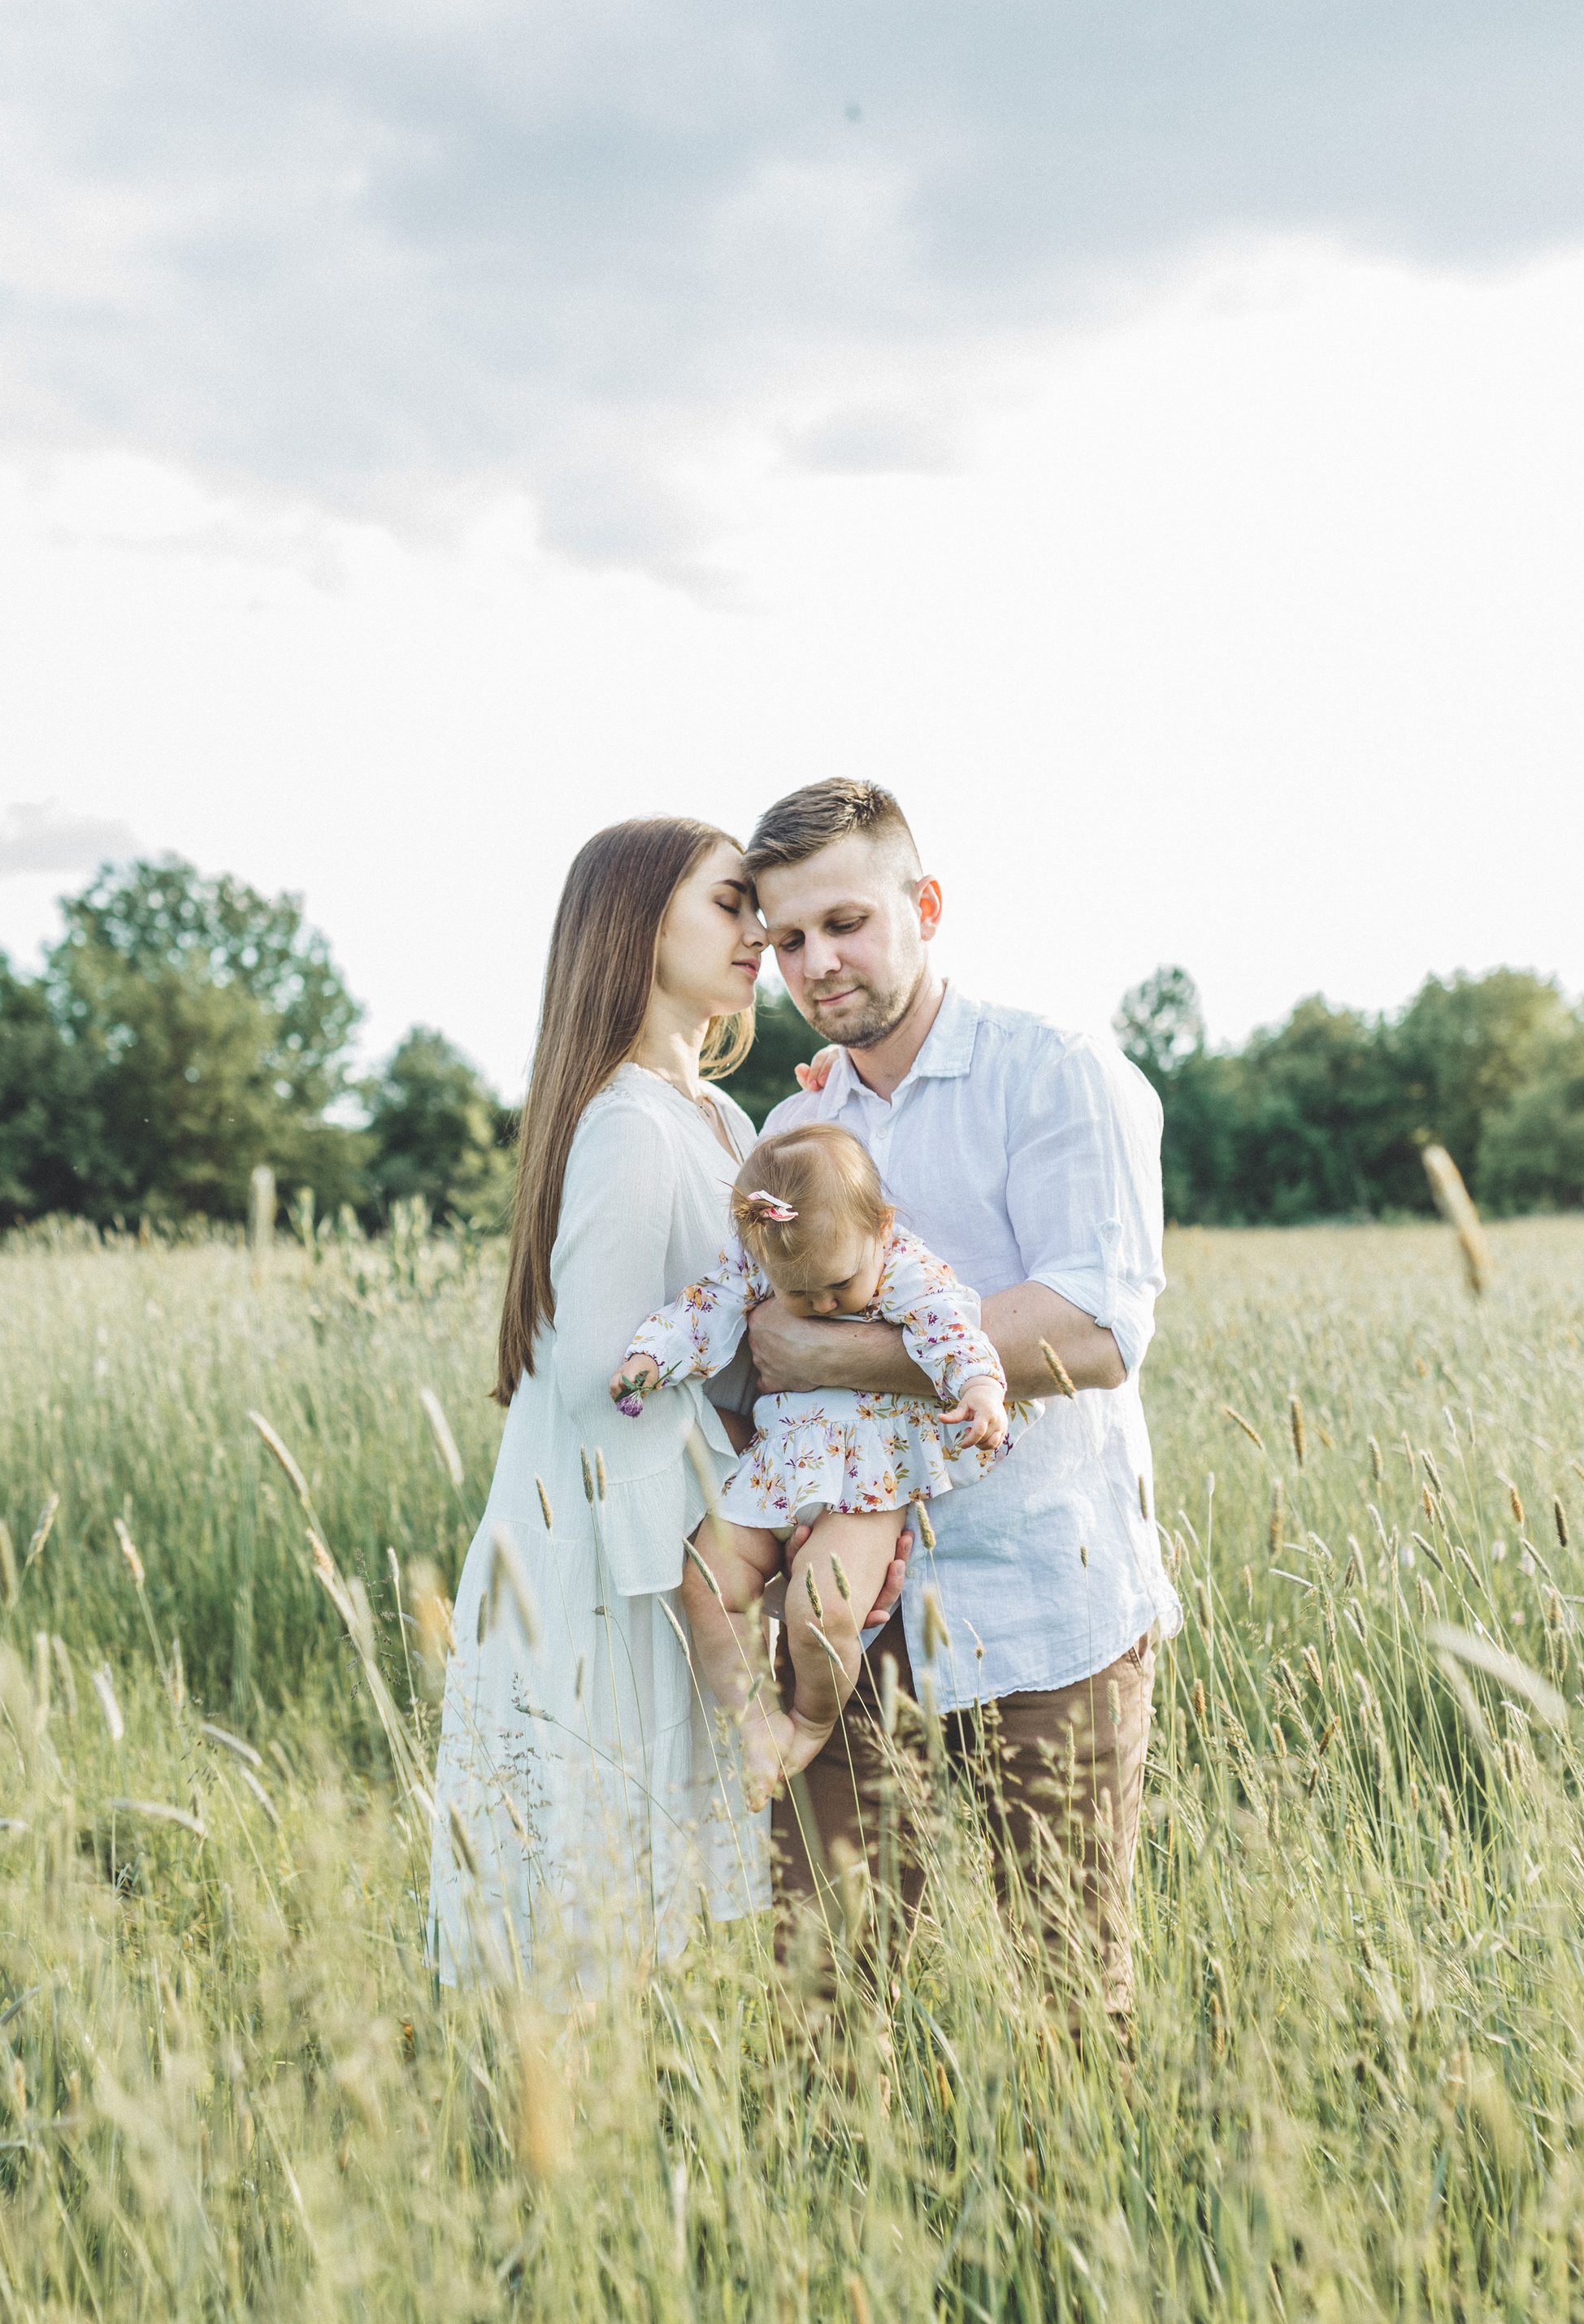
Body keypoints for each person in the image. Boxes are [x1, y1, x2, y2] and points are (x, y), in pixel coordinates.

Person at [744, 776, 1178, 2022]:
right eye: (787, 942)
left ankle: (1075, 2213)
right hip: (846, 1620)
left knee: (1069, 1995)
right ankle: (832, 2203)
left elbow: (1096, 1329)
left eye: (846, 923)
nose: (818, 962)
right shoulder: (797, 1123)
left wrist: (840, 1358)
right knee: (827, 1990)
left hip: (1047, 1603)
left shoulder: (1056, 1072)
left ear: (924, 905)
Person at [427, 817, 773, 1997]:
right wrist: (743, 1424)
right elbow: (593, 1375)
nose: (760, 929)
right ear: (639, 924)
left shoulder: (724, 1120)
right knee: (584, 1916)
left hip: (675, 1549)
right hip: (601, 1562)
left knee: (654, 1912)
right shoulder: (627, 1122)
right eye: (731, 902)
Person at [609, 1123, 1009, 1789]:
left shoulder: (906, 1267)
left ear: (882, 1229)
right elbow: (704, 1309)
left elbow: (951, 1328)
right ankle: (757, 1721)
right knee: (709, 1584)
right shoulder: (761, 1261)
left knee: (823, 1615)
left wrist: (980, 1387)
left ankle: (813, 1720)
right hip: (780, 1459)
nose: (821, 1305)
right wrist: (652, 1356)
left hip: (870, 1477)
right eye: (798, 1294)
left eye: (838, 1286)